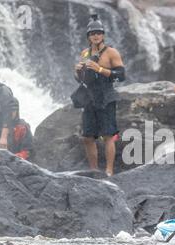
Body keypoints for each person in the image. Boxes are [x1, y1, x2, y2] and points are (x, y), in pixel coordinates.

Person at [74, 14, 126, 177]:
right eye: (92, 33)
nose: (95, 36)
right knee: (88, 137)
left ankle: (109, 170)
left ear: (103, 35)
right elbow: (82, 79)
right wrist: (77, 72)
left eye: (98, 33)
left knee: (108, 135)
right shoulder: (85, 53)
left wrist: (100, 69)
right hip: (89, 97)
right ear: (88, 37)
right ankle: (94, 170)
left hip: (106, 96)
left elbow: (121, 75)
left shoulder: (111, 52)